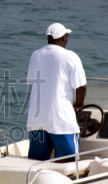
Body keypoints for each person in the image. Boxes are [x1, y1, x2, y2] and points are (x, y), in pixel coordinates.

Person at [25, 23, 87, 161]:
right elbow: (81, 87)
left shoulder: (35, 55)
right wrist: (79, 105)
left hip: (37, 119)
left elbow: (32, 82)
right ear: (64, 38)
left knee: (37, 162)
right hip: (61, 120)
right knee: (69, 162)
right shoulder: (70, 56)